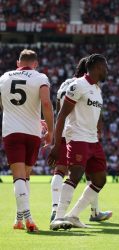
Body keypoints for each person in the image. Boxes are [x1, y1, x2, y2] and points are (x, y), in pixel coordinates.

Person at [48, 54, 109, 230]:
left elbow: (97, 117)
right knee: (74, 174)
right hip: (77, 137)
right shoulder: (78, 85)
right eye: (105, 66)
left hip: (92, 140)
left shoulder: (97, 90)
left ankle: (73, 215)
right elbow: (61, 116)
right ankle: (58, 218)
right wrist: (56, 144)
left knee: (100, 179)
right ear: (96, 67)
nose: (107, 70)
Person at [0, 49, 54, 232]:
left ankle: (24, 218)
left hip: (12, 131)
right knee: (26, 176)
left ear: (18, 63)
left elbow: (2, 103)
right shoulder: (40, 77)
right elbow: (46, 103)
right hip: (32, 132)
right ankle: (22, 218)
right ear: (35, 64)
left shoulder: (5, 77)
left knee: (19, 177)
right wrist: (50, 130)